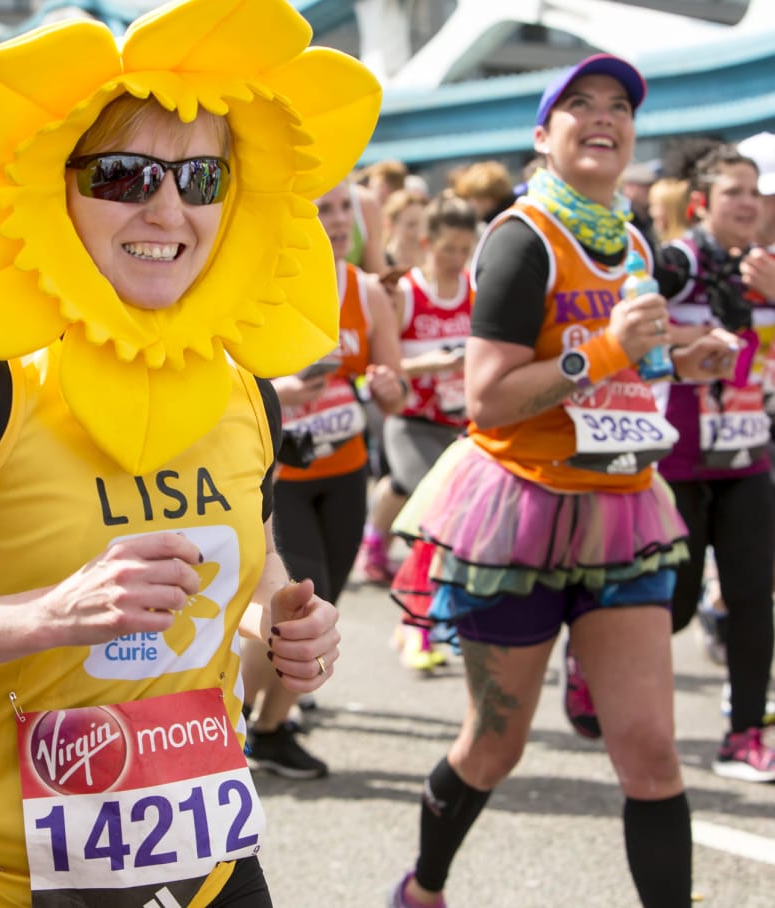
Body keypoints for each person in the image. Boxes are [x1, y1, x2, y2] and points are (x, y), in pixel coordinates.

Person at [0, 1, 379, 905]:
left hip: (205, 868)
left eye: (202, 178)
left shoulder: (242, 381)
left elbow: (248, 605)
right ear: (56, 185)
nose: (169, 210)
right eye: (125, 174)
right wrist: (47, 615)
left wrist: (284, 638)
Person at [387, 55, 741, 907]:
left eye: (619, 106)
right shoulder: (522, 239)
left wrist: (685, 361)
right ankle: (423, 889)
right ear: (542, 136)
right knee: (493, 748)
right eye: (577, 104)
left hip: (621, 508)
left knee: (651, 751)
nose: (603, 117)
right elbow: (489, 397)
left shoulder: (631, 239)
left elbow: (628, 373)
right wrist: (611, 347)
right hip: (518, 514)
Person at [241, 178, 407, 779]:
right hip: (279, 474)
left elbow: (394, 385)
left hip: (345, 472)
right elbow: (227, 382)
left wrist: (390, 389)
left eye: (345, 210)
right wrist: (279, 391)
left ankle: (267, 730)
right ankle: (245, 717)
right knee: (297, 604)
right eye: (322, 210)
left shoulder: (367, 291)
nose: (337, 222)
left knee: (321, 606)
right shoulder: (265, 284)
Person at [650, 142, 775, 780]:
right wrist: (691, 338)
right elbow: (623, 319)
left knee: (756, 597)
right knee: (668, 608)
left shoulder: (768, 269)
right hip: (678, 464)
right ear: (702, 203)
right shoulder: (677, 262)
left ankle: (746, 732)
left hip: (750, 459)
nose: (748, 202)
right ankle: (594, 670)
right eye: (734, 191)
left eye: (755, 190)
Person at [363, 192, 477, 667]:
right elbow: (386, 361)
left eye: (465, 249)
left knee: (454, 522)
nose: (457, 259)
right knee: (430, 513)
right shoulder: (408, 293)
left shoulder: (474, 289)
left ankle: (426, 611)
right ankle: (416, 623)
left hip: (460, 424)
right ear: (426, 242)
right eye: (448, 248)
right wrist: (439, 361)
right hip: (412, 421)